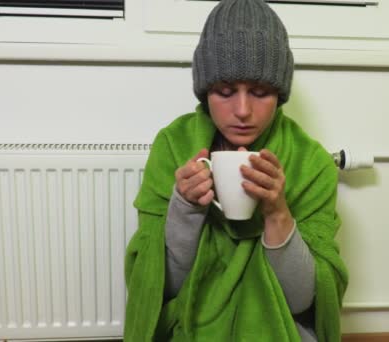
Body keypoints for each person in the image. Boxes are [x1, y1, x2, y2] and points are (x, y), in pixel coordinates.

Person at [124, 0, 348, 340]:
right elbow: (160, 288)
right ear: (205, 91)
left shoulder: (312, 162)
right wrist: (185, 209)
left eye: (260, 92)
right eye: (225, 92)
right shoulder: (173, 146)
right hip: (191, 317)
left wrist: (277, 214)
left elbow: (304, 303)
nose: (242, 110)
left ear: (280, 93)